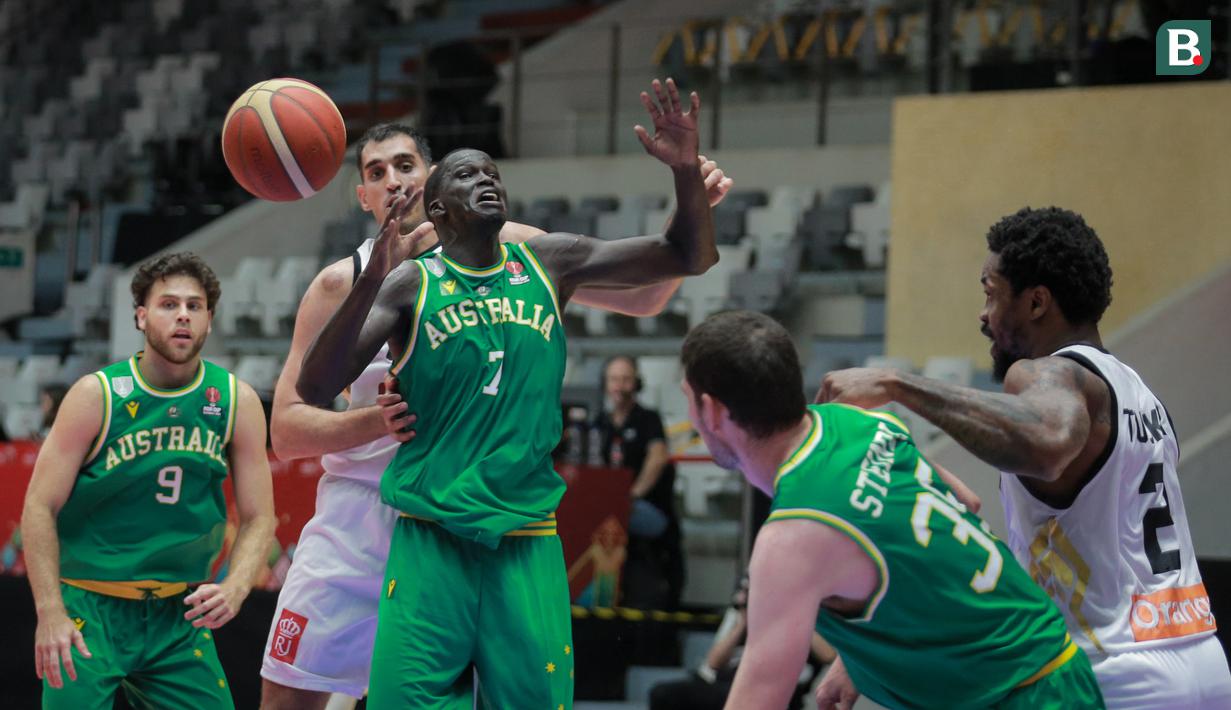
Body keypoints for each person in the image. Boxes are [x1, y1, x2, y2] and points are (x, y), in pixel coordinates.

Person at [259, 120, 732, 708]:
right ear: (362, 196)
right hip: (362, 512)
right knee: (289, 694)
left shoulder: (510, 246)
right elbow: (286, 428)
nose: (392, 181)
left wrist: (688, 209)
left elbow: (643, 294)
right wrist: (375, 422)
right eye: (375, 173)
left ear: (431, 179)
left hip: (475, 516)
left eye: (405, 165)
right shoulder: (341, 283)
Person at [817, 207, 1231, 708]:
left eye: (991, 294)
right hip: (1201, 658)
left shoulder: (1045, 375)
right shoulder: (1138, 392)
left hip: (1116, 675)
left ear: (1036, 302)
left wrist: (896, 384)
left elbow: (1049, 443)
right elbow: (1036, 557)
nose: (983, 315)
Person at [678, 310, 1105, 709]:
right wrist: (857, 656)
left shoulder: (794, 533)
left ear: (712, 412)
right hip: (1051, 666)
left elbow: (760, 697)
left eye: (688, 400)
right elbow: (962, 505)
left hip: (1015, 694)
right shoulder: (862, 423)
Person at [21, 252, 276, 709]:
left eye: (194, 306)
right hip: (89, 610)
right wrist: (50, 612)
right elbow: (39, 506)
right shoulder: (95, 396)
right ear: (141, 316)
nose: (182, 315)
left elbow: (260, 517)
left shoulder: (236, 401)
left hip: (177, 617)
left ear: (209, 320)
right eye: (168, 304)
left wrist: (237, 586)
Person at [649, 572, 834, 710]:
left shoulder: (799, 617)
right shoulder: (741, 617)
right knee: (662, 694)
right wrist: (743, 624)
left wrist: (795, 615)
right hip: (729, 680)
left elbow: (829, 655)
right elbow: (713, 663)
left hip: (771, 688)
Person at [593, 355, 684, 608]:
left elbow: (657, 458)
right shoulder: (600, 423)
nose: (620, 386)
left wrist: (631, 496)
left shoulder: (648, 419)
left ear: (636, 383)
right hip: (610, 512)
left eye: (625, 379)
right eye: (614, 380)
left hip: (646, 510)